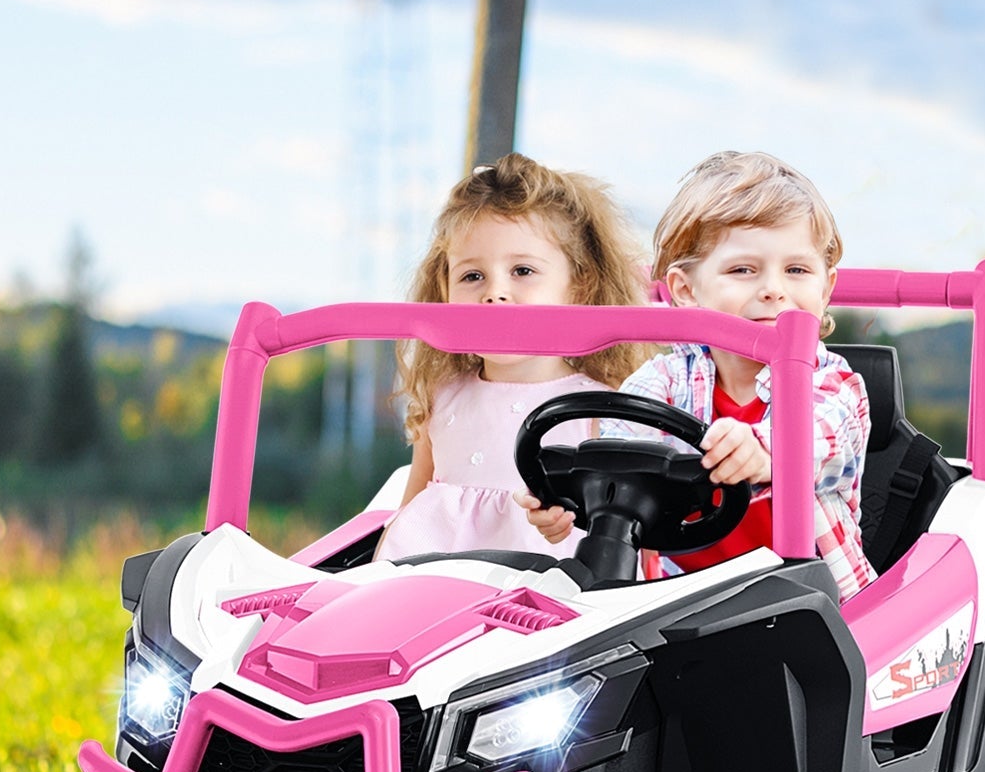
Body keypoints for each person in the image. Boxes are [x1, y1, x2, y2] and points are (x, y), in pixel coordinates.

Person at [520, 151, 876, 601]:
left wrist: (763, 451)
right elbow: (619, 449)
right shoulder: (665, 380)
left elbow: (821, 443)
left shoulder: (833, 384)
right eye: (742, 270)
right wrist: (571, 500)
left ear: (825, 288)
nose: (774, 288)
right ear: (686, 290)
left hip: (816, 604)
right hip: (682, 603)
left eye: (797, 270)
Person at [375, 153, 649, 562]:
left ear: (579, 286)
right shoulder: (443, 395)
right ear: (444, 289)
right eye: (472, 276)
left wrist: (567, 520)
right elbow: (412, 506)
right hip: (426, 586)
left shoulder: (598, 407)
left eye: (522, 271)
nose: (494, 293)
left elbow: (619, 529)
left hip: (540, 600)